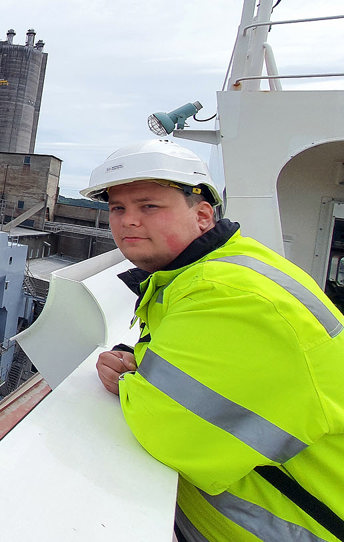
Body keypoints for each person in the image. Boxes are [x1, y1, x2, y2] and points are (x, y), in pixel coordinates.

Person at [81, 139, 344, 542]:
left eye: (148, 206)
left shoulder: (229, 295)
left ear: (203, 215)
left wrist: (131, 382)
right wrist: (136, 359)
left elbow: (171, 432)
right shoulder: (202, 274)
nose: (128, 221)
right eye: (118, 208)